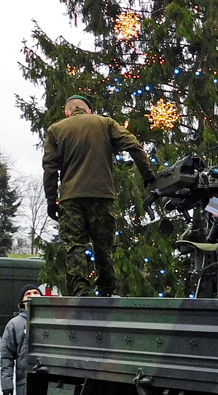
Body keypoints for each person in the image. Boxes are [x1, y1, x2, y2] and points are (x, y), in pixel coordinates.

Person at [42, 94, 156, 297]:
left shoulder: (56, 130)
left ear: (67, 112)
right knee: (103, 245)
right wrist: (147, 175)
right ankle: (106, 290)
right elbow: (133, 145)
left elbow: (50, 169)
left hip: (71, 198)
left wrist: (52, 201)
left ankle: (80, 292)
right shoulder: (105, 123)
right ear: (89, 111)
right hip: (102, 196)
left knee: (75, 245)